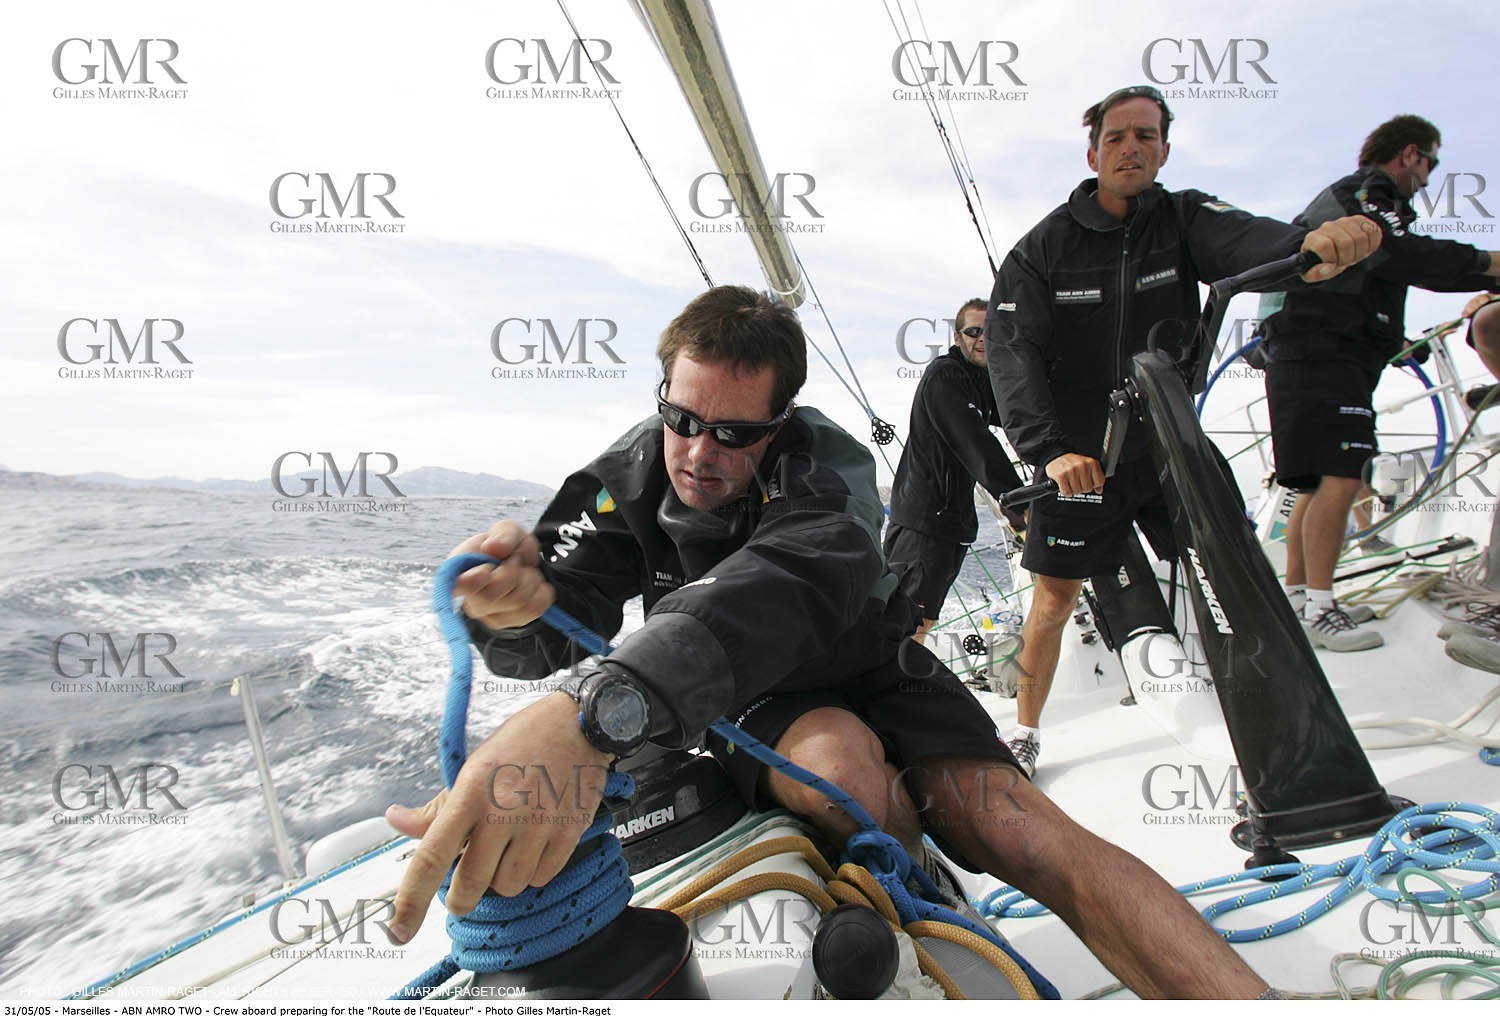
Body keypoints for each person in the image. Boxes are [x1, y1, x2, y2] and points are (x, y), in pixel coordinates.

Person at [386, 285, 1280, 999]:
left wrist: (597, 713)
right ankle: (910, 890)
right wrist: (508, 612)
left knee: (1026, 831)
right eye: (684, 419)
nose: (700, 451)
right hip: (760, 701)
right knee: (842, 767)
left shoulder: (830, 468)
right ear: (664, 395)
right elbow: (549, 625)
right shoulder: (620, 481)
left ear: (780, 424)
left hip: (879, 664)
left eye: (736, 434)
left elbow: (795, 575)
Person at [986, 84, 1381, 776]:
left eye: (1145, 135)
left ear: (1164, 150)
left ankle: (1281, 719)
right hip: (1081, 458)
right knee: (1053, 598)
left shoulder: (1186, 218)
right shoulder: (1042, 250)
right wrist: (1048, 452)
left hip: (1171, 443)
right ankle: (1024, 730)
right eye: (1116, 136)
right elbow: (1012, 351)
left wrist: (1314, 245)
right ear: (1093, 152)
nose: (1130, 147)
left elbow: (1254, 242)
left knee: (1237, 575)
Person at [1261, 115, 1500, 651]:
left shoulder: (1360, 199)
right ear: (1410, 153)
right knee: (1342, 476)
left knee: (1315, 481)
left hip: (1314, 352)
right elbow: (1409, 256)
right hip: (1324, 353)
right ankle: (1322, 609)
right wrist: (1490, 265)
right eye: (1430, 162)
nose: (1430, 175)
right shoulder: (1367, 195)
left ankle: (1303, 599)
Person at [886, 297, 1024, 644]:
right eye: (973, 331)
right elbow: (976, 442)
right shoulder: (944, 377)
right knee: (908, 624)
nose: (982, 338)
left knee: (923, 620)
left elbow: (1017, 414)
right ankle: (894, 693)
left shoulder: (980, 380)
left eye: (990, 331)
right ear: (957, 337)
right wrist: (1022, 504)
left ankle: (899, 687)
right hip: (924, 523)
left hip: (948, 524)